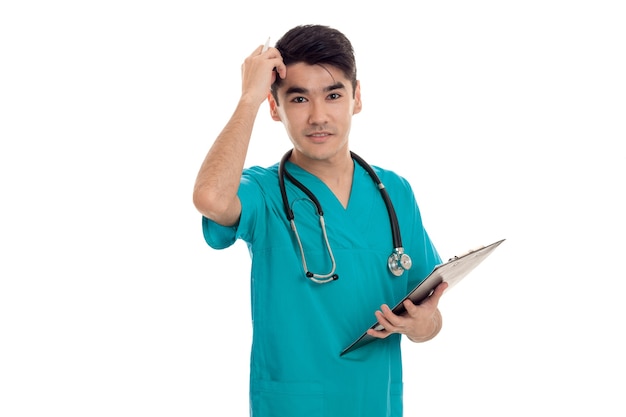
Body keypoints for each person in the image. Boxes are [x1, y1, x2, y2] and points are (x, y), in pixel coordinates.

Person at [193, 24, 447, 417]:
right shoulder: (263, 193)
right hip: (292, 406)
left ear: (356, 98)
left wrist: (422, 327)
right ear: (274, 107)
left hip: (376, 404)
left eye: (333, 95)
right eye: (298, 98)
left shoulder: (394, 192)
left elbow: (428, 312)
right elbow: (210, 198)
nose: (317, 116)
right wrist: (248, 98)